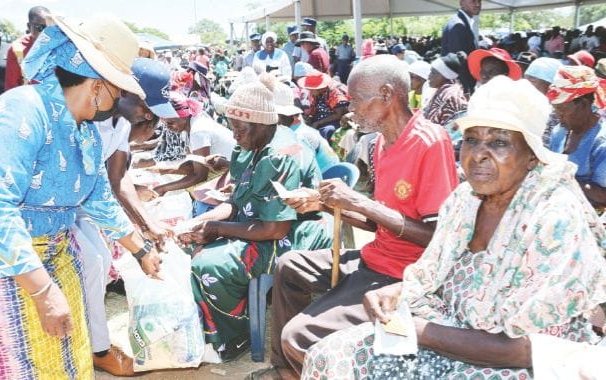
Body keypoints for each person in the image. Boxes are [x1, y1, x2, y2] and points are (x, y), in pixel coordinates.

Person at [301, 75, 606, 380]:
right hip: (451, 326)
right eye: (472, 139)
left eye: (499, 142)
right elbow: (440, 271)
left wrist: (423, 331)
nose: (477, 155)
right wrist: (396, 291)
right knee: (330, 354)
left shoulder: (554, 216)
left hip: (520, 361)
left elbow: (527, 347)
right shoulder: (466, 199)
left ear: (531, 156)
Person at [0, 14, 164, 378]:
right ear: (97, 86)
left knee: (63, 356)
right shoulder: (20, 112)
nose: (120, 101)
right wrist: (41, 291)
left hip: (51, 250)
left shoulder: (83, 132)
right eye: (119, 91)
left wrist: (141, 250)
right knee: (1, 362)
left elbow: (98, 198)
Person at [259, 55, 459, 378]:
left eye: (356, 101)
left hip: (402, 274)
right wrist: (324, 204)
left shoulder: (430, 142)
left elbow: (438, 238)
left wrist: (360, 202)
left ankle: (308, 363)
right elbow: (376, 222)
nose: (350, 110)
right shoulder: (379, 142)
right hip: (375, 256)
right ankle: (285, 371)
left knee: (296, 336)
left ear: (386, 94)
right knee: (288, 266)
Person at [178, 76, 332, 361]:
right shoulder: (248, 146)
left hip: (297, 231)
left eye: (240, 129)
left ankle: (237, 337)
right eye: (232, 127)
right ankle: (216, 326)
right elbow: (237, 202)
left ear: (261, 124)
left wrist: (217, 228)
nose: (234, 135)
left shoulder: (279, 155)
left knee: (211, 263)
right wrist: (201, 223)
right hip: (266, 224)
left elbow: (275, 228)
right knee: (189, 242)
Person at [79, 58, 178, 376]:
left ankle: (96, 345)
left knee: (98, 260)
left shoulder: (120, 124)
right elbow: (103, 190)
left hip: (79, 203)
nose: (149, 117)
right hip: (52, 204)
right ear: (125, 91)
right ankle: (97, 348)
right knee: (92, 261)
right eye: (148, 108)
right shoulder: (88, 116)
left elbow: (118, 178)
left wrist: (147, 224)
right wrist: (139, 243)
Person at [152, 91, 236, 200]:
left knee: (195, 194)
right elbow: (194, 165)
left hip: (234, 174)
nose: (168, 127)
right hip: (225, 169)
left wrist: (163, 188)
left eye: (170, 123)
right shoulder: (190, 125)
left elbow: (200, 175)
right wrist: (164, 170)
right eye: (165, 124)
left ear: (183, 116)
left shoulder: (197, 131)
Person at [547, 65, 606, 209]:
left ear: (583, 104)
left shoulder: (601, 142)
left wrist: (564, 180)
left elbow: (603, 195)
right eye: (555, 110)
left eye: (562, 110)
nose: (557, 116)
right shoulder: (559, 132)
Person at [273, 80, 339, 173]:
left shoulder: (300, 136)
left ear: (278, 116)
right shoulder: (299, 130)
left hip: (326, 178)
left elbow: (300, 171)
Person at [4, 6, 50, 90]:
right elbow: (11, 87)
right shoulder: (17, 49)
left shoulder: (58, 44)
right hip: (30, 100)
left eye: (48, 27)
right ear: (29, 26)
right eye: (40, 27)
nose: (45, 32)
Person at [441, 0, 481, 94]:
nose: (477, 4)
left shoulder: (460, 22)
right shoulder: (458, 25)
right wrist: (465, 91)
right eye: (473, 1)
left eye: (479, 1)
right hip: (459, 87)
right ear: (461, 2)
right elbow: (458, 63)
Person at [523, 57, 563, 147]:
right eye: (525, 79)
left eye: (532, 80)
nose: (525, 84)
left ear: (550, 86)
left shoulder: (557, 115)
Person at [299, 70, 349, 141]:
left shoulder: (334, 92)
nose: (309, 90)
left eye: (311, 89)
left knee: (326, 131)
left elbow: (340, 114)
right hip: (319, 120)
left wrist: (318, 123)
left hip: (336, 120)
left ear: (319, 88)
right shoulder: (315, 94)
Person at [423, 52, 468, 126]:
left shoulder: (451, 96)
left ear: (444, 75)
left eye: (433, 73)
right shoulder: (442, 92)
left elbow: (454, 130)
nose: (429, 76)